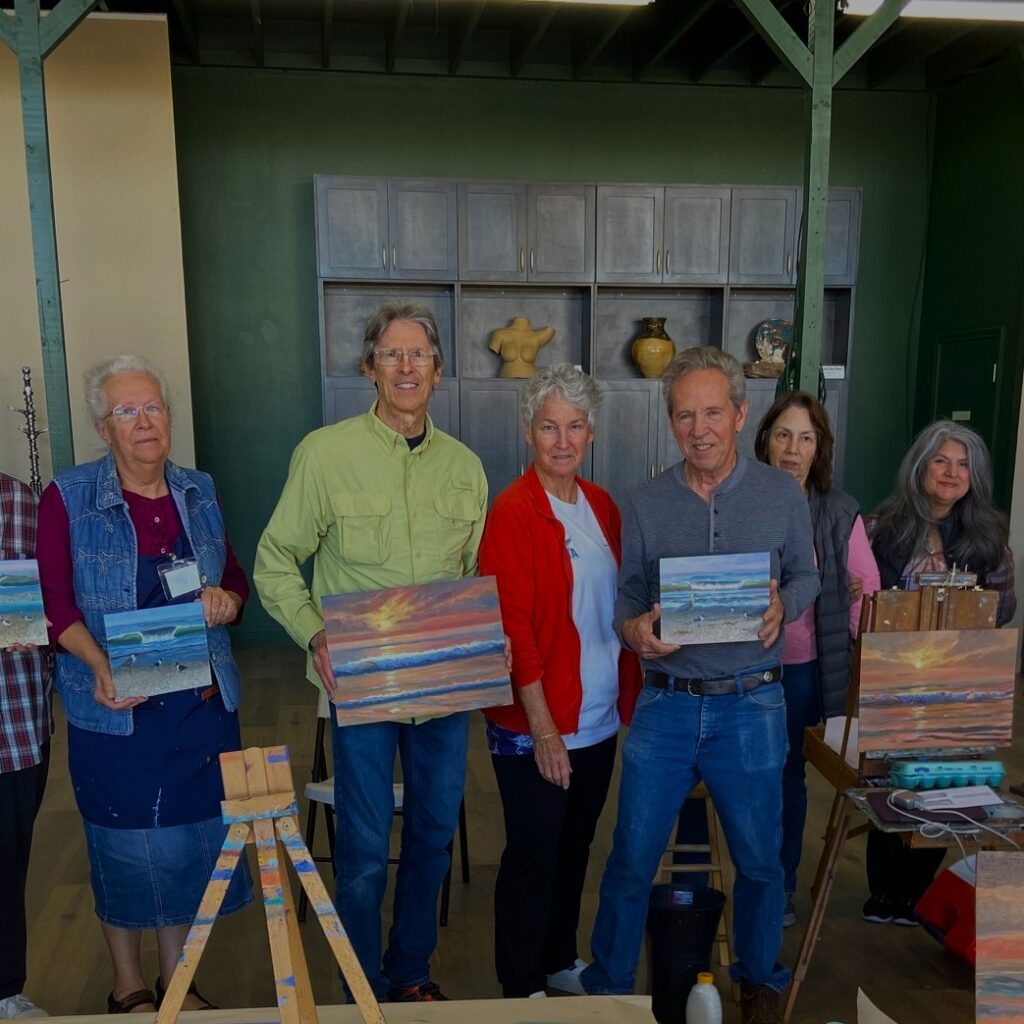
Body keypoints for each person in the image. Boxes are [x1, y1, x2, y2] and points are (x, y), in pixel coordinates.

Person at [254, 302, 488, 1002]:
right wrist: (316, 634)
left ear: (438, 372)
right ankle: (360, 985)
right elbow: (274, 562)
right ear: (370, 367)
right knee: (360, 851)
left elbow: (475, 577)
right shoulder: (324, 455)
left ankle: (411, 971)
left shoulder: (466, 468)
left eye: (419, 355)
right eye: (393, 354)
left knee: (432, 836)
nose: (407, 366)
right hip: (360, 684)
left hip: (443, 688)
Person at [579, 347, 819, 1024]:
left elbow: (808, 574)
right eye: (685, 415)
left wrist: (784, 605)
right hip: (666, 704)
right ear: (671, 423)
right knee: (630, 858)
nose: (700, 428)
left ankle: (759, 982)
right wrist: (637, 634)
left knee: (761, 862)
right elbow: (626, 599)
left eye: (713, 412)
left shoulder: (781, 494)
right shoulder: (646, 502)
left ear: (740, 415)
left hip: (753, 702)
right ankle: (610, 987)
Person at [37, 356, 251, 1014]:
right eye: (127, 412)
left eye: (153, 407)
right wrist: (100, 666)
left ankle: (175, 981)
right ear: (104, 427)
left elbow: (236, 579)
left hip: (200, 704)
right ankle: (126, 984)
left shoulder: (199, 489)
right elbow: (54, 608)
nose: (144, 422)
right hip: (120, 706)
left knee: (186, 842)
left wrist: (226, 602)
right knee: (125, 842)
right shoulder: (68, 497)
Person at [478, 365, 641, 999]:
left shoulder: (601, 507)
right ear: (529, 432)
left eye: (574, 426)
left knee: (575, 847)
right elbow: (514, 630)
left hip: (597, 717)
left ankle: (556, 958)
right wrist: (544, 729)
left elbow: (620, 602)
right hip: (535, 724)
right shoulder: (514, 512)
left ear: (591, 434)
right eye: (550, 426)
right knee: (531, 855)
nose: (562, 439)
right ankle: (519, 984)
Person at [861, 419, 1015, 926]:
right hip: (892, 681)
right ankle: (884, 892)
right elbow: (866, 602)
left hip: (958, 681)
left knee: (942, 785)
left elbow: (1003, 610)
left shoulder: (989, 535)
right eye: (941, 460)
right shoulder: (881, 527)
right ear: (920, 466)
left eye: (964, 464)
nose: (952, 473)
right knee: (891, 782)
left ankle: (915, 892)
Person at [753, 392, 880, 929]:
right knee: (738, 774)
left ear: (819, 448)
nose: (793, 448)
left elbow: (867, 590)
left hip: (803, 668)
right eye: (783, 434)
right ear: (764, 441)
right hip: (746, 662)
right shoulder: (743, 500)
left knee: (786, 776)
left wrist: (865, 673)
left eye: (806, 438)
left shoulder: (837, 509)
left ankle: (778, 886)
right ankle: (723, 882)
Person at [0, 473, 52, 1020]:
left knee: (9, 862)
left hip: (14, 723)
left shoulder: (22, 499)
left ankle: (4, 989)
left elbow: (52, 599)